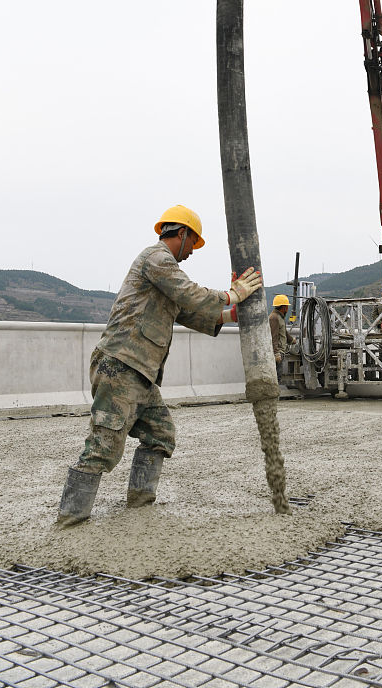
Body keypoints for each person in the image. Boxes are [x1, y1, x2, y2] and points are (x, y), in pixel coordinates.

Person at [56, 205, 262, 528]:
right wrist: (231, 295)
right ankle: (70, 518)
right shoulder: (157, 259)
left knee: (160, 433)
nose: (192, 252)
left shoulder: (165, 275)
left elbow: (190, 312)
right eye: (193, 243)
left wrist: (230, 313)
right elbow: (190, 294)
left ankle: (140, 504)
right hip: (121, 366)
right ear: (182, 233)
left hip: (141, 374)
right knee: (103, 445)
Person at [268, 294, 292, 381]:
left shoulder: (280, 317)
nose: (287, 308)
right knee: (276, 377)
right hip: (277, 352)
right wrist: (276, 353)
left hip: (280, 351)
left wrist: (291, 340)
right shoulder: (274, 318)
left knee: (278, 376)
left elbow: (284, 332)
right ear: (284, 307)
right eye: (287, 306)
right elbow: (273, 336)